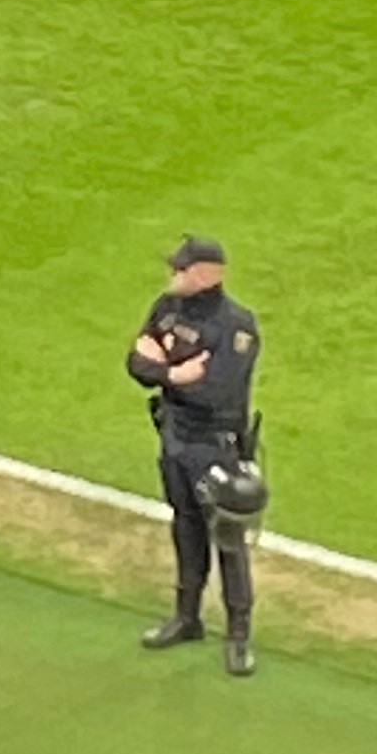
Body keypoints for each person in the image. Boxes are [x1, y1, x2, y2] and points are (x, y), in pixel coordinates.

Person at [129, 236, 263, 674]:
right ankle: (187, 618)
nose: (172, 274)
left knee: (227, 536)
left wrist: (164, 365)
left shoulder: (237, 326)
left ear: (205, 274)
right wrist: (175, 373)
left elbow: (215, 390)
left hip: (216, 446)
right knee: (185, 524)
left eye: (181, 268)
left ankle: (239, 635)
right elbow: (136, 364)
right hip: (175, 438)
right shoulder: (167, 307)